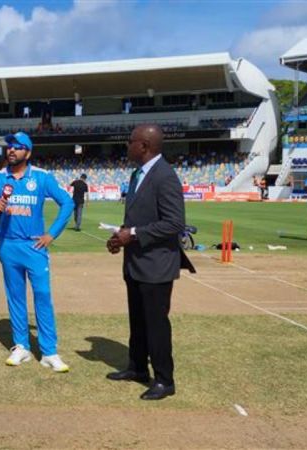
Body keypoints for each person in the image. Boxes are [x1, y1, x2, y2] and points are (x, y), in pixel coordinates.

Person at [106, 124, 195, 400]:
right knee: (138, 320)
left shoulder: (165, 176)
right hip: (136, 262)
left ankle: (164, 380)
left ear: (143, 146)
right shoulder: (137, 174)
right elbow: (137, 220)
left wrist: (132, 234)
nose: (127, 146)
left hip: (157, 265)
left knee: (156, 323)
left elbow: (174, 223)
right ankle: (137, 367)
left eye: (130, 141)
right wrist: (121, 236)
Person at [0, 131, 73, 372]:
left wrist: (51, 234)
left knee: (42, 295)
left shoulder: (41, 178)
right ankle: (21, 346)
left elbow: (67, 203)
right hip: (8, 245)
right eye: (10, 146)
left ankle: (49, 351)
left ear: (28, 153)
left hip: (35, 246)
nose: (12, 150)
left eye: (18, 147)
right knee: (15, 297)